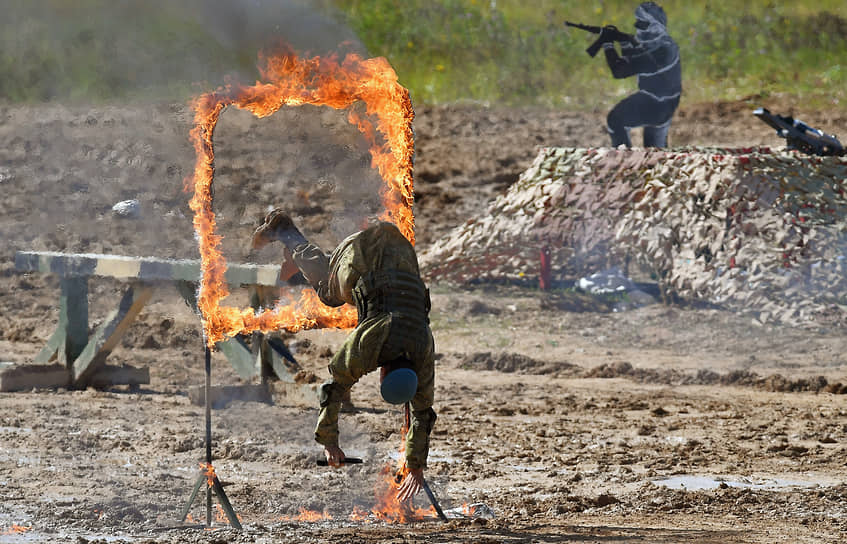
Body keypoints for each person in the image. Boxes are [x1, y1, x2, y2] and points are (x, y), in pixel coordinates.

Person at [251, 209, 436, 502]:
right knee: (328, 294)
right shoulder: (371, 344)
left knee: (336, 281)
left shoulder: (424, 345)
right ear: (383, 373)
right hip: (358, 253)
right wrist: (329, 443)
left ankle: (297, 255)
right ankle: (286, 231)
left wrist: (414, 465)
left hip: (400, 248)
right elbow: (332, 387)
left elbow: (423, 414)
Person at [600, 2, 681, 148]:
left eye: (642, 24)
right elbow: (635, 60)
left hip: (656, 102)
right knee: (655, 152)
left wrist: (607, 45)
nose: (637, 27)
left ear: (655, 27)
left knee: (615, 119)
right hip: (665, 103)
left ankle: (622, 161)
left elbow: (620, 71)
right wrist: (625, 42)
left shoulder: (664, 50)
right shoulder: (663, 45)